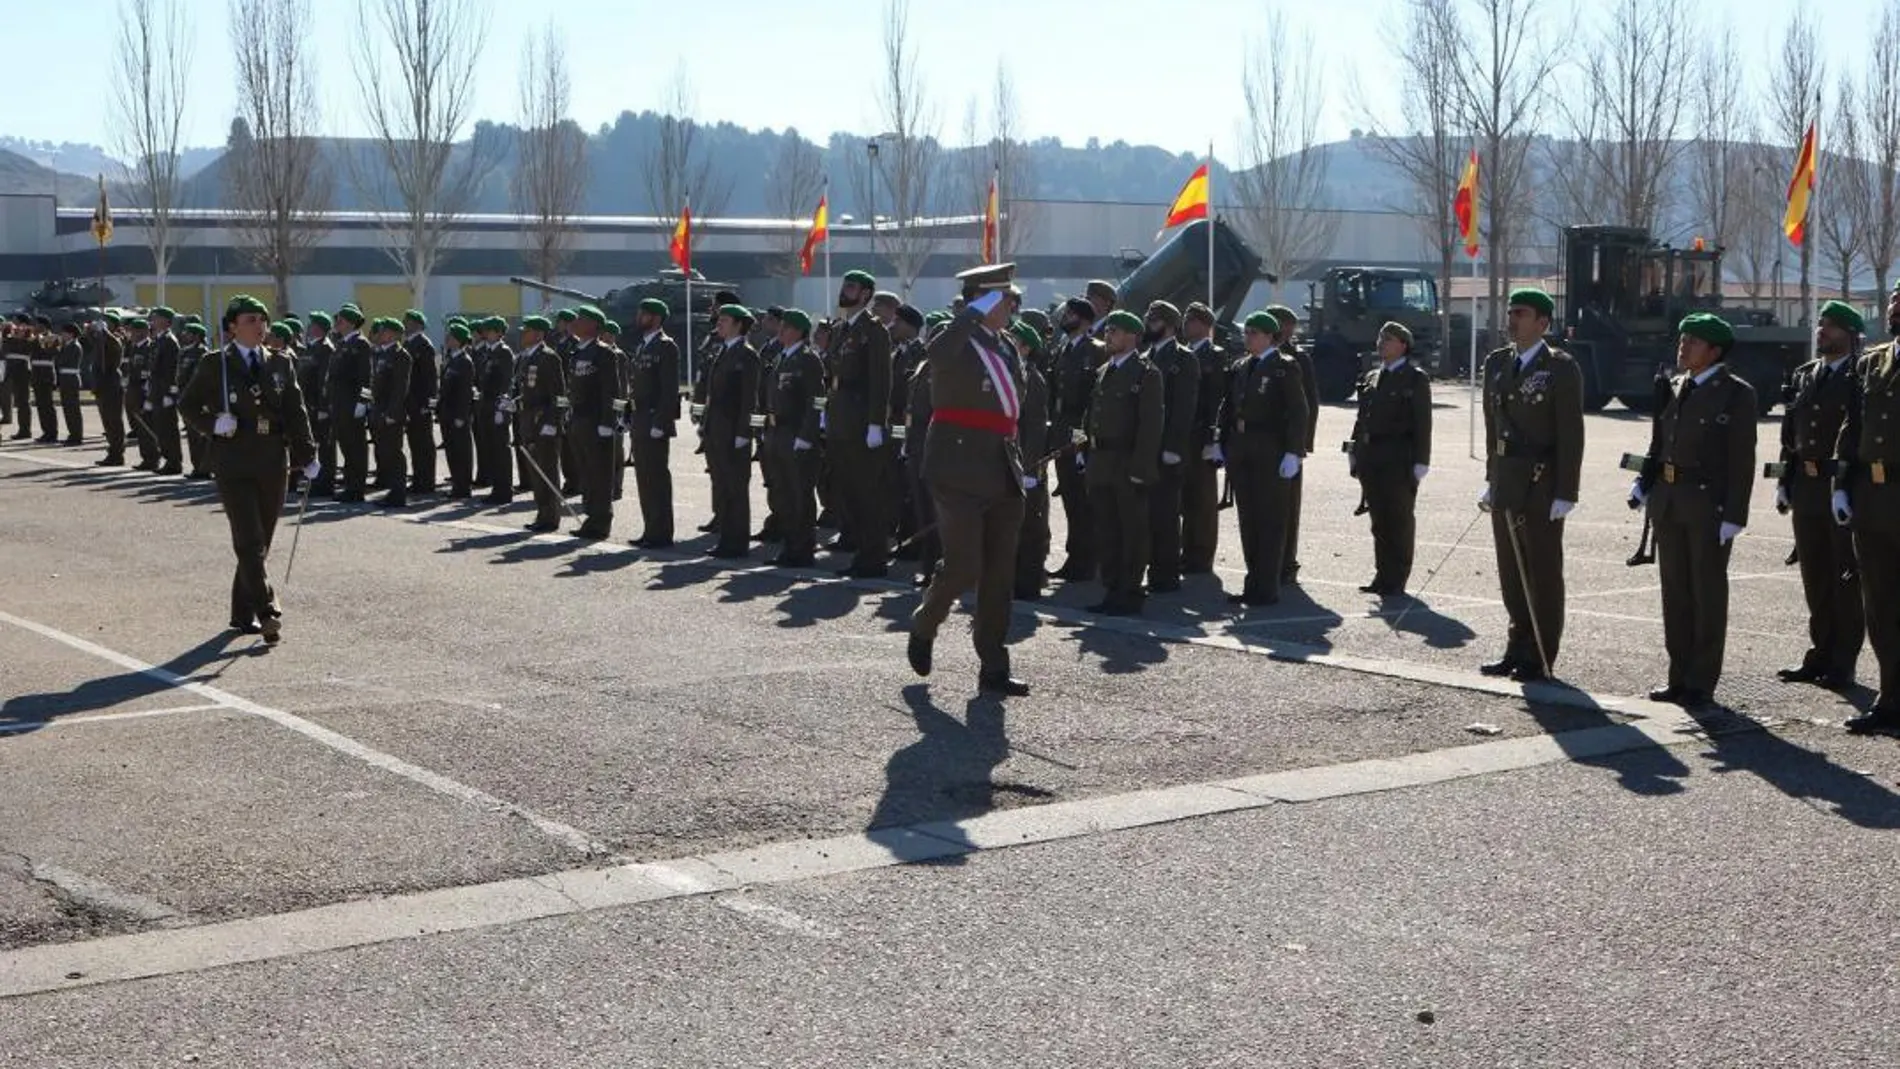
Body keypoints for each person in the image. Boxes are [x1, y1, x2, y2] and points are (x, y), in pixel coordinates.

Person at [908, 263, 1032, 697]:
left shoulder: (1007, 347)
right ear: (982, 300)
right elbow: (936, 357)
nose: (1012, 305)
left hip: (1002, 467)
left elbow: (1017, 406)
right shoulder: (956, 338)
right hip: (957, 466)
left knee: (999, 574)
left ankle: (994, 667)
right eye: (1004, 298)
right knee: (964, 566)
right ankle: (925, 623)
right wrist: (969, 315)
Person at [1629, 314, 1756, 707]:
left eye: (1694, 342)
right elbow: (1660, 441)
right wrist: (1645, 482)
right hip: (1669, 500)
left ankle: (1702, 680)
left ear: (1715, 351)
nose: (1683, 347)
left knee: (1707, 594)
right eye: (1682, 339)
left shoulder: (1735, 394)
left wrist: (1735, 514)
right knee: (1676, 594)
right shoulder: (1674, 385)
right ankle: (1678, 675)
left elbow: (1741, 460)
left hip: (1707, 505)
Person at [177, 294, 318, 644]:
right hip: (234, 457)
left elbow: (295, 411)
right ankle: (267, 610)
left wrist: (308, 453)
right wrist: (213, 424)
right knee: (248, 539)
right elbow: (188, 405)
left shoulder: (281, 363)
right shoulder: (216, 365)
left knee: (262, 540)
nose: (259, 326)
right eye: (250, 320)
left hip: (272, 458)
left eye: (262, 319)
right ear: (232, 327)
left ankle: (241, 613)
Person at [1479, 287, 1585, 682]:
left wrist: (1566, 491)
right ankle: (1516, 645)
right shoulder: (1496, 363)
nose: (1511, 319)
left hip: (1542, 482)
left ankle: (1540, 653)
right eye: (1510, 312)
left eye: (1520, 313)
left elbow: (1571, 433)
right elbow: (1494, 429)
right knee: (1511, 570)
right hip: (1508, 478)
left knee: (1541, 570)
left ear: (1542, 323)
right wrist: (1491, 477)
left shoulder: (1560, 367)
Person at [1773, 300, 1864, 690]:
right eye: (1821, 324)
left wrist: (1846, 488)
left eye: (1830, 326)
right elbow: (1790, 432)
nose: (1821, 331)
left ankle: (1843, 663)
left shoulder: (1860, 376)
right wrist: (1784, 478)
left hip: (1841, 488)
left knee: (1844, 580)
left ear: (1849, 334)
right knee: (1815, 578)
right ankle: (1820, 654)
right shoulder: (1806, 374)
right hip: (1807, 488)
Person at [1833, 287, 1900, 735]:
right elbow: (1851, 424)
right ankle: (1891, 699)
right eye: (1895, 300)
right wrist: (1841, 484)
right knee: (1879, 603)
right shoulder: (1872, 361)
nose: (1896, 308)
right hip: (1872, 498)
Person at [1216, 310, 1310, 607]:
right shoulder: (1243, 365)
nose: (1248, 337)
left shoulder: (1285, 366)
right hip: (1242, 447)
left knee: (1270, 521)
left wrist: (1294, 451)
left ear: (1270, 337)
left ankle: (1267, 587)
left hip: (1270, 448)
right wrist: (1221, 441)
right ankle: (1253, 582)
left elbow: (1299, 411)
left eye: (1254, 333)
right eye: (1247, 332)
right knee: (1248, 519)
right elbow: (1229, 405)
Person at [1084, 310, 1165, 615]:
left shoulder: (1146, 373)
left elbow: (1150, 425)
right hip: (1102, 460)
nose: (1108, 336)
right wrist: (1085, 449)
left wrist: (1142, 468)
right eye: (1107, 331)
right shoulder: (1105, 370)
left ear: (1132, 336)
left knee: (1131, 530)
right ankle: (1111, 588)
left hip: (1127, 461)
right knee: (1107, 530)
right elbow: (1093, 414)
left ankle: (1130, 591)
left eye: (1115, 331)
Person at [1349, 322, 1433, 596]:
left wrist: (1421, 460)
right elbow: (1363, 418)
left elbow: (1423, 423)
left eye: (1388, 339)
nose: (1381, 343)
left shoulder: (1414, 378)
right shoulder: (1373, 376)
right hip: (1371, 456)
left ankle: (1396, 578)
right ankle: (1382, 575)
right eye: (1380, 338)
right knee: (1379, 520)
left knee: (1398, 519)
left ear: (1403, 345)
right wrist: (1354, 451)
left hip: (1398, 458)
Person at [827, 269, 895, 577]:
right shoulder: (842, 328)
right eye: (845, 285)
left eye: (851, 287)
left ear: (865, 294)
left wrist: (875, 423)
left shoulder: (874, 330)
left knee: (868, 492)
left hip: (860, 418)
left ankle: (873, 557)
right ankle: (857, 548)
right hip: (841, 416)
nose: (845, 291)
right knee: (848, 489)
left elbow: (881, 380)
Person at [762, 308, 826, 566]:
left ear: (799, 331)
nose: (781, 330)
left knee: (799, 493)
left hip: (796, 432)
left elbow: (817, 400)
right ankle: (790, 545)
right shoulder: (782, 357)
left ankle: (802, 548)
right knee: (782, 492)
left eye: (786, 327)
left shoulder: (808, 359)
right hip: (778, 431)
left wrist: (807, 435)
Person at [1144, 299, 1198, 594]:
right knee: (1147, 513)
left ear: (1169, 324)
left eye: (1154, 321)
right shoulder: (1147, 355)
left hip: (1168, 447)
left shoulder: (1183, 359)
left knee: (1165, 514)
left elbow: (1183, 407)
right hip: (1147, 447)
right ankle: (1153, 567)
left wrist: (1174, 445)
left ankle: (1166, 575)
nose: (1149, 325)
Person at [1048, 296, 1104, 581]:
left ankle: (1089, 560)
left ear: (1083, 319)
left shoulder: (1095, 351)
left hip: (1079, 434)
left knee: (1084, 501)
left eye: (1070, 314)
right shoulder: (1062, 350)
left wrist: (1082, 442)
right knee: (1070, 497)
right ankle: (1075, 556)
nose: (1065, 316)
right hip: (1061, 432)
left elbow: (1092, 403)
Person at [703, 304, 761, 558]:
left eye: (725, 320)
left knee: (735, 488)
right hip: (717, 428)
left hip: (733, 430)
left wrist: (743, 432)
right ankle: (726, 538)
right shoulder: (724, 351)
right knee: (724, 485)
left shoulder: (746, 355)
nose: (719, 324)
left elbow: (749, 398)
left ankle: (737, 542)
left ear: (739, 325)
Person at [1268, 304, 1319, 584]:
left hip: (1288, 443)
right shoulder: (1255, 355)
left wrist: (1301, 446)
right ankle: (1268, 561)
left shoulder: (1298, 359)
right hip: (1262, 443)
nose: (1284, 329)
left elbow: (1309, 404)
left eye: (1286, 325)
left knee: (1287, 506)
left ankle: (1287, 562)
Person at [565, 304, 624, 539]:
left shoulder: (604, 353)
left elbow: (612, 390)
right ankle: (590, 517)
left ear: (592, 325)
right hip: (579, 419)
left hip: (596, 421)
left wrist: (607, 422)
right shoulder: (578, 352)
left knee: (600, 474)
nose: (575, 323)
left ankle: (601, 521)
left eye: (580, 319)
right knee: (586, 472)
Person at [627, 298, 681, 548]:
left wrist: (661, 421)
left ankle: (661, 532)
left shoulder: (665, 346)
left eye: (644, 314)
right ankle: (650, 529)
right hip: (640, 419)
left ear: (657, 318)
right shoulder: (643, 346)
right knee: (644, 478)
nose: (639, 317)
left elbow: (669, 390)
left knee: (656, 478)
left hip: (653, 420)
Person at [1181, 303, 1228, 574]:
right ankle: (1186, 550)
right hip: (1183, 435)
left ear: (1204, 324)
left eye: (1191, 320)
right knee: (1184, 498)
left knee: (1203, 500)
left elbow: (1217, 399)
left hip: (1203, 435)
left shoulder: (1215, 356)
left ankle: (1201, 555)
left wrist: (1214, 438)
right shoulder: (1181, 354)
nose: (1186, 324)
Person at [512, 315, 568, 532]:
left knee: (547, 471)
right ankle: (541, 513)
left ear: (538, 334)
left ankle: (550, 516)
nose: (522, 335)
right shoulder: (526, 358)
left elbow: (559, 396)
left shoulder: (549, 357)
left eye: (526, 331)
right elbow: (528, 391)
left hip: (544, 423)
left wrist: (552, 422)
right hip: (528, 422)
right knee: (536, 472)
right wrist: (514, 403)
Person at [1011, 318, 1052, 601]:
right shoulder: (1013, 375)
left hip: (1026, 465)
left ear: (1026, 348)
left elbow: (1036, 427)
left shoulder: (1032, 379)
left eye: (1014, 341)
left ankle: (1029, 582)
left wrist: (1030, 468)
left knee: (1029, 529)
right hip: (1010, 461)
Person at [329, 305, 375, 502]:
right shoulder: (342, 343)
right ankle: (350, 485)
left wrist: (362, 402)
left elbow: (367, 377)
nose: (337, 324)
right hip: (340, 404)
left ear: (350, 322)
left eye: (340, 320)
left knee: (356, 447)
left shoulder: (361, 344)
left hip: (352, 404)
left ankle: (356, 488)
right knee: (346, 446)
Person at [367, 317, 414, 508]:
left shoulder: (401, 356)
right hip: (379, 410)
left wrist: (392, 413)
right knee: (385, 452)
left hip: (391, 413)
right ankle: (393, 490)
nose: (381, 334)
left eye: (385, 331)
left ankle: (398, 493)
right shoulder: (382, 354)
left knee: (394, 453)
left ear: (394, 335)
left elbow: (399, 388)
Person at [401, 309, 440, 496]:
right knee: (415, 443)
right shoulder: (408, 343)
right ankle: (418, 479)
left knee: (424, 444)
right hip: (411, 402)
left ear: (417, 324)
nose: (404, 324)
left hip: (420, 403)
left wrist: (428, 404)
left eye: (407, 321)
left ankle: (427, 482)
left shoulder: (424, 345)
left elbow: (429, 378)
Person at [438, 320, 476, 499]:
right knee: (452, 451)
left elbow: (464, 392)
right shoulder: (451, 359)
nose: (447, 339)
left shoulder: (464, 362)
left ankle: (463, 487)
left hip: (457, 414)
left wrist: (462, 415)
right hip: (447, 413)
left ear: (459, 340)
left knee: (461, 452)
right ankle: (456, 484)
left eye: (451, 336)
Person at [301, 312, 337, 495]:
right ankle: (316, 481)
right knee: (315, 445)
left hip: (319, 406)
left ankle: (325, 483)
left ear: (319, 329)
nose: (308, 328)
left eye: (312, 325)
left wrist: (323, 407)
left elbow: (325, 381)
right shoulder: (312, 348)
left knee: (325, 448)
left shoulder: (326, 349)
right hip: (309, 404)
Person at [146, 307, 184, 474]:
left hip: (164, 391)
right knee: (160, 428)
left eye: (156, 318)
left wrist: (170, 393)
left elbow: (172, 370)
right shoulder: (158, 340)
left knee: (168, 428)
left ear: (166, 321)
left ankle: (174, 462)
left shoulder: (170, 341)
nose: (153, 320)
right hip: (157, 390)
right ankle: (168, 459)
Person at [90, 314, 126, 466]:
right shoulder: (101, 340)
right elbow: (89, 339)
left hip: (111, 383)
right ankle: (113, 451)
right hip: (101, 384)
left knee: (114, 421)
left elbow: (114, 345)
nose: (103, 324)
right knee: (107, 422)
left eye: (107, 323)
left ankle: (117, 454)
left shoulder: (115, 339)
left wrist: (105, 332)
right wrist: (95, 331)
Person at [52, 320, 85, 444]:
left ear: (71, 334)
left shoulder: (74, 346)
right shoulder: (67, 346)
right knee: (67, 409)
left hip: (71, 379)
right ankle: (72, 434)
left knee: (73, 409)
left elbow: (61, 360)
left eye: (64, 333)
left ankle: (76, 436)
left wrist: (56, 349)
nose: (62, 335)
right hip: (66, 379)